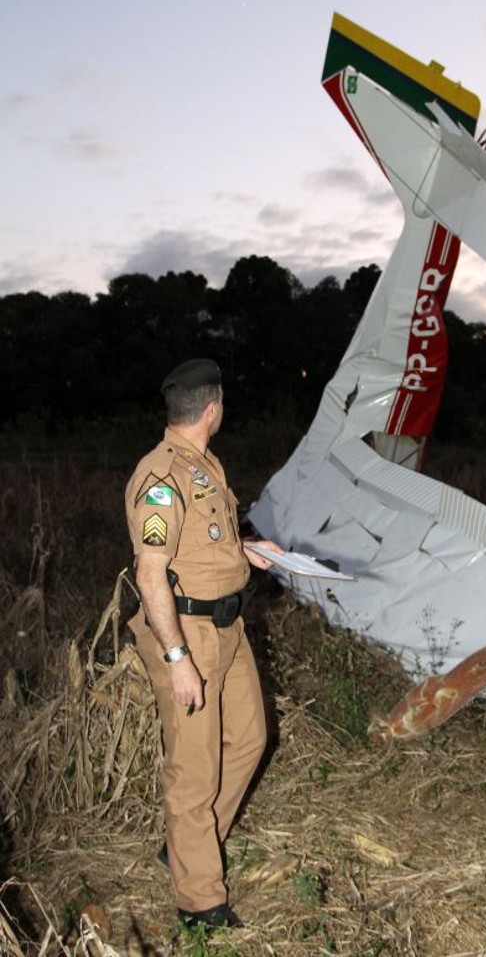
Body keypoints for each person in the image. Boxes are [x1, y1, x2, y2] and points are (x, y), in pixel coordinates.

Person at [125, 358, 281, 929]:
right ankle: (200, 903)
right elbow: (150, 574)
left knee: (250, 739)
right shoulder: (160, 477)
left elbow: (206, 544)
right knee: (193, 769)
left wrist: (249, 553)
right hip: (185, 633)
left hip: (228, 626)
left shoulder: (204, 465)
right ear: (212, 408)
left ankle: (188, 842)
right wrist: (176, 659)